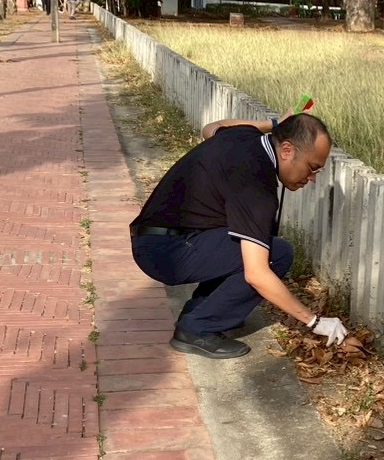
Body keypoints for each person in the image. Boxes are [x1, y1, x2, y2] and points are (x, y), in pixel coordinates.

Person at [130, 111, 349, 359]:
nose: (311, 179)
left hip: (157, 238)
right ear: (286, 150)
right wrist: (315, 321)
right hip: (167, 252)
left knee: (253, 241)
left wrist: (275, 124)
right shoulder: (256, 184)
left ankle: (200, 312)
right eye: (311, 168)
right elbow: (257, 274)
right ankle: (195, 329)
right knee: (276, 254)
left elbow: (211, 127)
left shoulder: (245, 135)